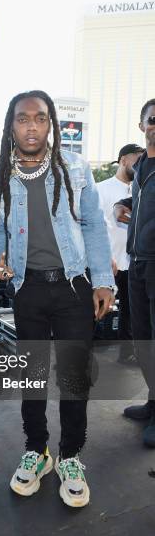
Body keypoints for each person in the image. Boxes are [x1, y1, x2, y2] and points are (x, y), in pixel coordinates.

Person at [0, 90, 115, 508]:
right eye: (23, 119)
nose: (32, 127)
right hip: (27, 289)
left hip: (74, 287)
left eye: (40, 118)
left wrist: (102, 282)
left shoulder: (75, 169)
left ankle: (71, 456)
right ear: (11, 126)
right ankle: (37, 451)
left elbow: (94, 225)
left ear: (51, 125)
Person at [114, 99, 155, 447]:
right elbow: (140, 202)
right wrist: (121, 204)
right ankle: (152, 402)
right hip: (138, 262)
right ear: (141, 126)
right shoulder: (141, 165)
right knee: (142, 338)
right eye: (152, 119)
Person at [97, 144, 144, 363]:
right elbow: (93, 226)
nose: (140, 163)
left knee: (131, 311)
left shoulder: (142, 189)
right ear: (124, 160)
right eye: (137, 158)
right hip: (106, 261)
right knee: (95, 307)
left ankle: (127, 355)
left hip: (132, 262)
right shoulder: (101, 189)